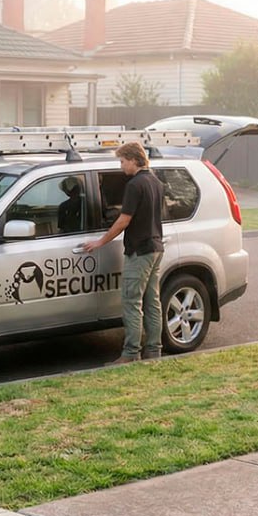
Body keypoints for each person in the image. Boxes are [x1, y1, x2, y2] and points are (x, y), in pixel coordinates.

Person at [82, 141, 165, 364]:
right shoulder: (155, 182)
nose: (121, 167)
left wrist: (100, 242)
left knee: (131, 302)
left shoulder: (135, 185)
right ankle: (154, 352)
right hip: (156, 248)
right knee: (152, 302)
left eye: (122, 161)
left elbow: (123, 220)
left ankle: (130, 354)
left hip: (139, 251)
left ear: (133, 159)